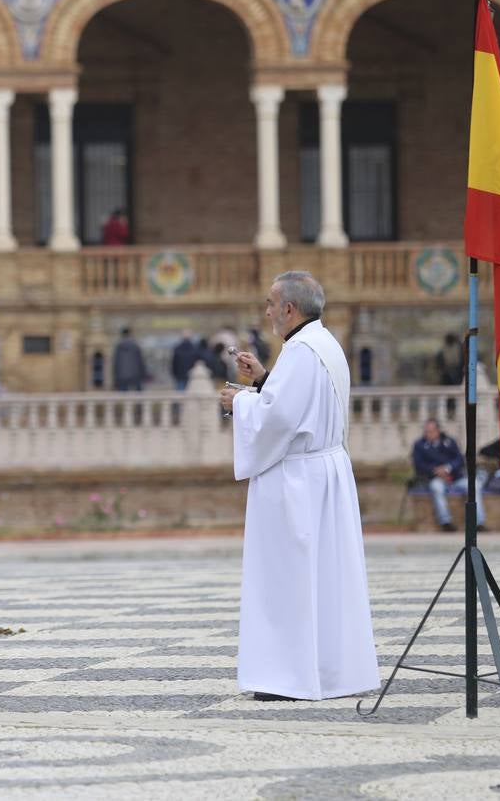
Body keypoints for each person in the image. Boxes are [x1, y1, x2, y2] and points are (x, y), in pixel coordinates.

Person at [219, 271, 378, 701]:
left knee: (289, 579)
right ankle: (329, 670)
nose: (267, 311)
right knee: (323, 577)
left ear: (290, 308)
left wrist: (241, 402)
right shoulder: (323, 345)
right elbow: (301, 403)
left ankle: (285, 676)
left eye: (271, 303)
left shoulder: (301, 351)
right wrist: (265, 380)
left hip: (298, 482)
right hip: (324, 474)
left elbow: (281, 421)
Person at [411, 418, 487, 532]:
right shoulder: (419, 445)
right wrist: (435, 471)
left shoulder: (449, 441)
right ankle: (446, 522)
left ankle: (478, 523)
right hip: (436, 479)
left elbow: (459, 460)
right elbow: (418, 464)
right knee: (436, 487)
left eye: (431, 431)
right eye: (426, 431)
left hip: (455, 478)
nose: (428, 434)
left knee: (474, 485)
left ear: (437, 431)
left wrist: (447, 468)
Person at [112, 326, 147, 391]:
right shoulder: (135, 345)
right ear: (130, 333)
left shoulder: (119, 346)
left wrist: (115, 376)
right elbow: (140, 361)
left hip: (122, 375)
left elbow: (116, 363)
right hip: (136, 374)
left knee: (123, 397)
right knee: (138, 397)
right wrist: (143, 374)